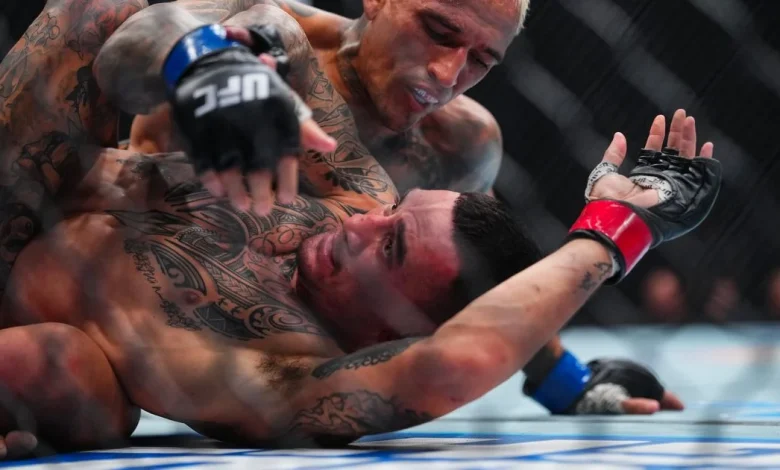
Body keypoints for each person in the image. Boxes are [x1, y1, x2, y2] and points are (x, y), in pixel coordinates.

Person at [0, 0, 719, 459]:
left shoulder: (446, 153)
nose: (447, 73)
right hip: (27, 202)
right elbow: (130, 39)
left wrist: (565, 367)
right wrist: (214, 63)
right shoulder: (302, 79)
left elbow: (466, 283)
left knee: (65, 374)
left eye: (481, 59)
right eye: (438, 30)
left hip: (79, 335)